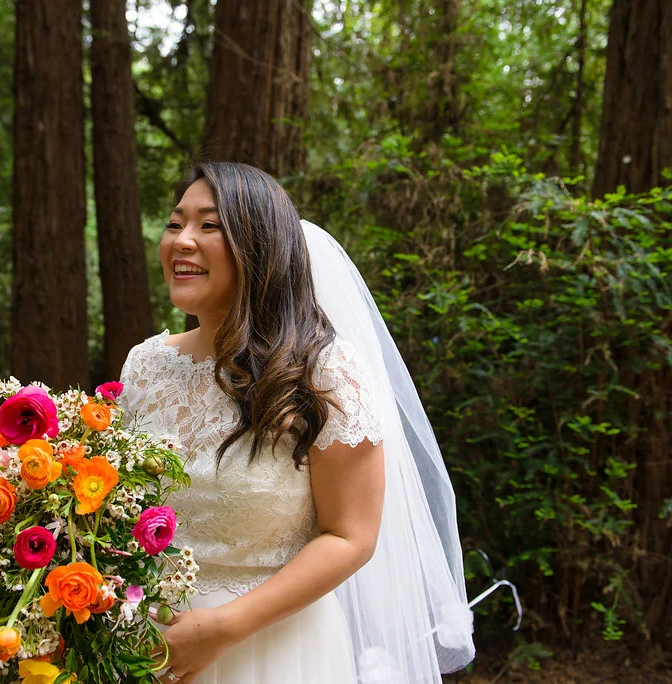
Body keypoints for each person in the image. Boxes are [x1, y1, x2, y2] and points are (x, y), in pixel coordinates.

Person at [119, 161, 474, 683]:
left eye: (208, 225)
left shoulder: (321, 372)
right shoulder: (144, 365)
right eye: (175, 224)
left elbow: (351, 536)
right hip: (143, 647)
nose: (182, 241)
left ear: (259, 245)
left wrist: (221, 628)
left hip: (270, 648)